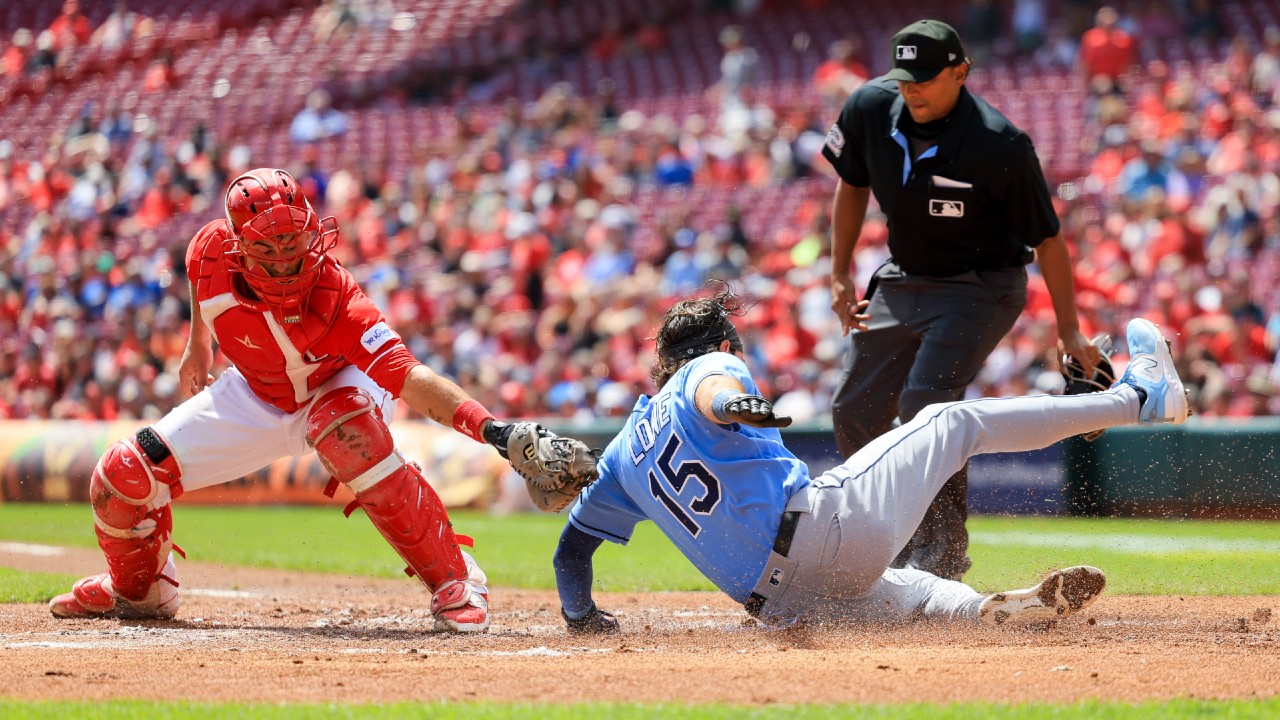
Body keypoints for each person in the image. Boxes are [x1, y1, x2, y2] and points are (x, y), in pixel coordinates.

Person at [48, 168, 568, 633]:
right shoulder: (209, 249)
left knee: (341, 424)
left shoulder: (340, 298)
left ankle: (455, 578)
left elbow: (408, 376)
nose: (287, 261)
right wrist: (196, 346)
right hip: (255, 390)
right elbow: (196, 274)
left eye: (294, 242)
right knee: (123, 472)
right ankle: (142, 594)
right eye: (268, 250)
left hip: (337, 386)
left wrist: (493, 430)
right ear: (235, 246)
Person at [551, 290, 1188, 632]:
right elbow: (710, 391)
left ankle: (993, 612)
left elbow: (570, 555)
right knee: (948, 420)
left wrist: (581, 615)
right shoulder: (710, 366)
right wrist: (737, 403)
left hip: (786, 610)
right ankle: (1137, 398)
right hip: (823, 537)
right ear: (722, 344)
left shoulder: (620, 454)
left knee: (920, 594)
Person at [820, 19, 1100, 581]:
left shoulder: (1001, 144)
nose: (912, 89)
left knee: (927, 404)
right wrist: (839, 271)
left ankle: (941, 556)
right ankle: (881, 542)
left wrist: (1069, 331)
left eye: (925, 78)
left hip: (982, 285)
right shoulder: (869, 108)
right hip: (904, 279)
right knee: (854, 407)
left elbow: (1047, 239)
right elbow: (850, 184)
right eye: (904, 78)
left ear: (960, 73)